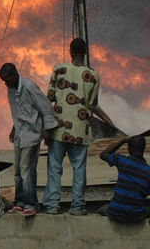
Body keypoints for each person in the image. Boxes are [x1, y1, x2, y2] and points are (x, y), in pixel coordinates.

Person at [44, 38, 111, 216]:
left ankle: (51, 205)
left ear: (70, 51)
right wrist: (108, 120)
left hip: (59, 129)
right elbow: (92, 104)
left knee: (54, 168)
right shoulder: (93, 76)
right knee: (79, 168)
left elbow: (49, 97)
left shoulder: (59, 70)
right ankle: (78, 206)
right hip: (80, 131)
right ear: (86, 52)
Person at [0, 62, 57, 216]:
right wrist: (13, 128)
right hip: (20, 134)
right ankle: (19, 201)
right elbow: (19, 111)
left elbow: (45, 107)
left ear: (14, 75)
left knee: (27, 170)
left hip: (31, 134)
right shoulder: (10, 90)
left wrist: (47, 130)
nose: (5, 84)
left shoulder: (29, 86)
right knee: (18, 170)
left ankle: (31, 203)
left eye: (7, 80)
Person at [98, 134, 150, 222]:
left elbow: (104, 154)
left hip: (115, 213)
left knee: (101, 210)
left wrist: (122, 141)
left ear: (130, 149)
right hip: (135, 216)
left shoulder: (123, 161)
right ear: (143, 149)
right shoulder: (148, 171)